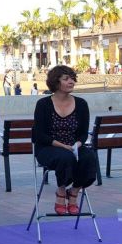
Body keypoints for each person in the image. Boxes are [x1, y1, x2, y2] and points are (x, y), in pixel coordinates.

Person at [32, 65, 96, 215]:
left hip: (74, 146)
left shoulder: (81, 104)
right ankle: (61, 191)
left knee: (89, 157)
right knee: (65, 157)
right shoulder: (43, 105)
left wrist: (77, 144)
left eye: (73, 78)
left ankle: (73, 192)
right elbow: (40, 135)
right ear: (56, 82)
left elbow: (83, 134)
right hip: (49, 147)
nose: (71, 81)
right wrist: (63, 146)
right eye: (66, 79)